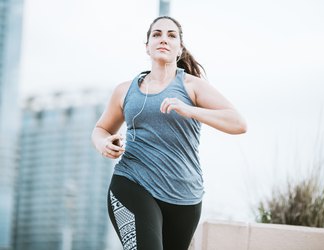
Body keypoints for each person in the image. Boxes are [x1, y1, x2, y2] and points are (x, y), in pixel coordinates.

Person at [91, 16, 247, 250]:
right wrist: (103, 143)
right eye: (157, 34)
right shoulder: (125, 91)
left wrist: (190, 110)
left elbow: (238, 123)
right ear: (147, 47)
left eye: (171, 35)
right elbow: (100, 129)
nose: (164, 39)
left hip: (185, 196)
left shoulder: (192, 86)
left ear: (179, 49)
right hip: (132, 182)